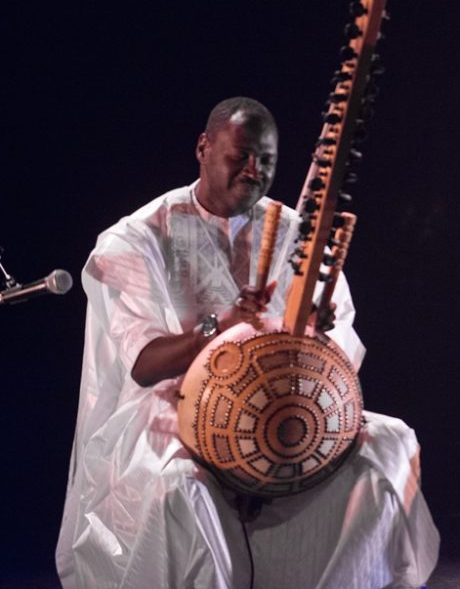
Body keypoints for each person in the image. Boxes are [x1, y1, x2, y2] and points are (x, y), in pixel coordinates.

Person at [56, 97, 439, 589]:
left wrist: (317, 330)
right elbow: (146, 365)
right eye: (241, 156)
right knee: (180, 488)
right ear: (203, 147)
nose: (254, 171)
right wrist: (224, 324)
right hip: (171, 412)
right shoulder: (137, 239)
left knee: (389, 448)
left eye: (268, 161)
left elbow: (335, 360)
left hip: (285, 408)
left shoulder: (295, 233)